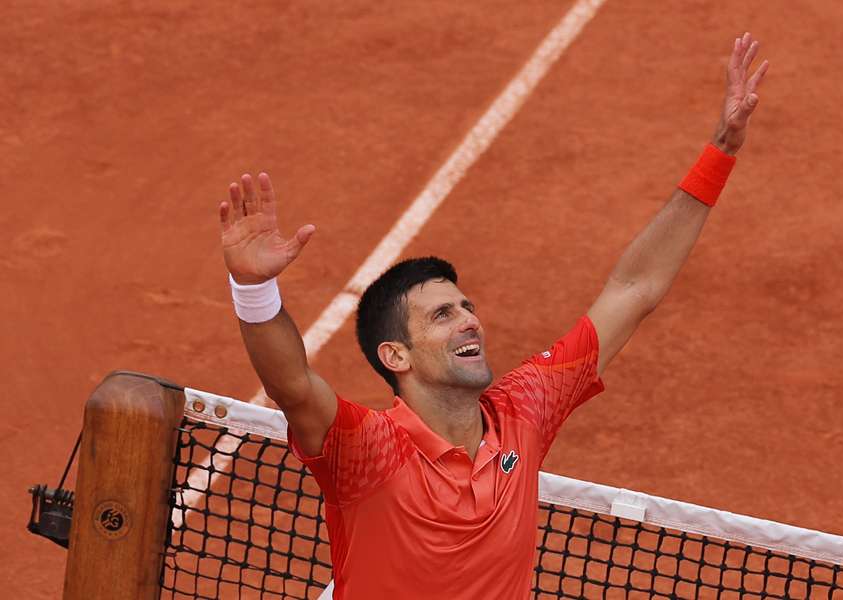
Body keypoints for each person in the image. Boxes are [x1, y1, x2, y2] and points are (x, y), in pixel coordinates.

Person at [217, 33, 768, 600]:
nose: (468, 321)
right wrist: (253, 288)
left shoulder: (522, 412)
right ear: (395, 355)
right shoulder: (368, 450)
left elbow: (634, 287)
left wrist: (721, 148)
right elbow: (291, 384)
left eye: (467, 308)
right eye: (441, 315)